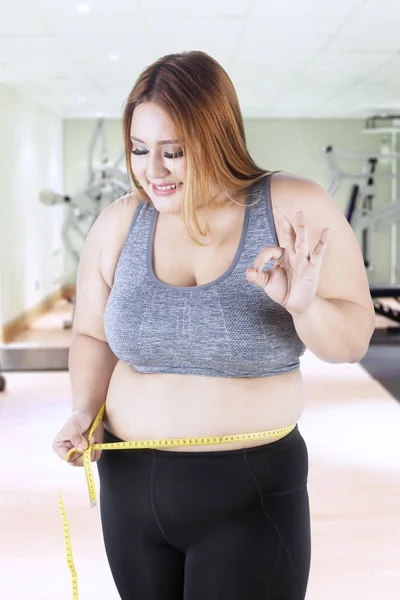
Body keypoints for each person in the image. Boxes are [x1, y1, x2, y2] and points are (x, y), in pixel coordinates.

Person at [52, 50, 375, 599]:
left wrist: (305, 307)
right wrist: (84, 410)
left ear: (216, 137)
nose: (152, 171)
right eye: (139, 149)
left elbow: (352, 341)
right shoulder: (120, 223)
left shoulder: (292, 208)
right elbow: (91, 334)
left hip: (249, 494)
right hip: (131, 491)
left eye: (173, 152)